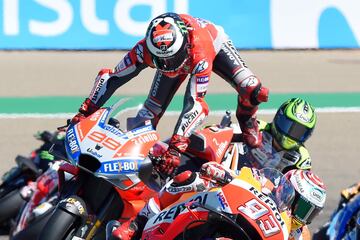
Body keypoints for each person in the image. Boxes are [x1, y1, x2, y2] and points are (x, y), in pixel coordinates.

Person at [71, 12, 269, 176]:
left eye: (172, 59)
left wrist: (176, 147)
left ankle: (247, 120)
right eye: (161, 60)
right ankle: (132, 158)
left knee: (253, 89)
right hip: (182, 52)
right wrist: (86, 110)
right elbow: (112, 77)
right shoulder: (145, 50)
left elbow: (195, 104)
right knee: (149, 114)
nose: (168, 67)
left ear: (185, 46)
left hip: (213, 45)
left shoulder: (200, 52)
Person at [108, 163, 326, 240]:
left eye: (310, 212)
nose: (302, 216)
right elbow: (240, 175)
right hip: (225, 214)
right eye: (302, 206)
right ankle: (136, 225)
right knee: (187, 179)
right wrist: (220, 172)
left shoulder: (300, 235)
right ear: (287, 191)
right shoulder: (266, 184)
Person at [242, 97, 317, 173]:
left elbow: (301, 182)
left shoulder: (302, 158)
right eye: (287, 126)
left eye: (299, 132)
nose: (290, 135)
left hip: (266, 184)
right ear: (278, 118)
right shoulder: (258, 128)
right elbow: (231, 134)